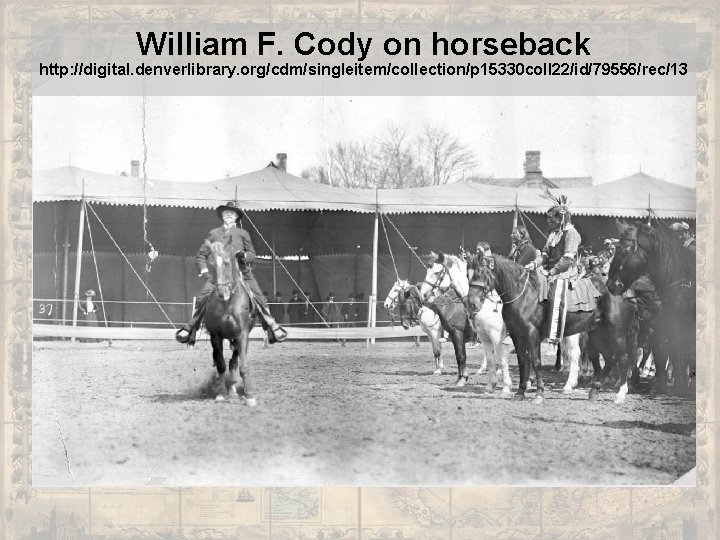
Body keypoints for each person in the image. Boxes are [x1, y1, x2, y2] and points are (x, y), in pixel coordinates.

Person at [175, 201, 287, 345]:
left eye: (232, 212)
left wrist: (244, 256)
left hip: (242, 273)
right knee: (203, 297)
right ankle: (190, 329)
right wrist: (205, 273)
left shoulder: (243, 233)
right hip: (220, 275)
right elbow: (201, 255)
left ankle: (272, 328)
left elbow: (252, 253)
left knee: (259, 297)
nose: (228, 214)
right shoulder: (214, 233)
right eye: (226, 212)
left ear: (236, 217)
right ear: (222, 215)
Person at [539, 194, 600, 343]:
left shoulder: (572, 234)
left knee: (554, 297)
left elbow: (567, 259)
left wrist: (551, 272)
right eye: (547, 218)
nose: (547, 221)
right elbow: (545, 254)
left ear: (560, 219)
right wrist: (535, 264)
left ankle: (553, 335)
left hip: (564, 273)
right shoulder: (553, 233)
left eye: (550, 218)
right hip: (548, 270)